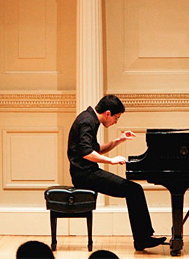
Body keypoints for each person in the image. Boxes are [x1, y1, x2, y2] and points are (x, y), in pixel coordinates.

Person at [67, 94, 166, 251]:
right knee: (134, 190)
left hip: (86, 172)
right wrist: (111, 161)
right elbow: (87, 153)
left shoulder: (89, 119)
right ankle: (142, 239)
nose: (115, 122)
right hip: (84, 175)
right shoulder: (87, 121)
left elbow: (95, 149)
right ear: (108, 113)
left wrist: (118, 140)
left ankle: (143, 238)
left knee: (134, 190)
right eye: (116, 118)